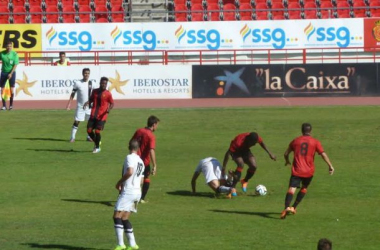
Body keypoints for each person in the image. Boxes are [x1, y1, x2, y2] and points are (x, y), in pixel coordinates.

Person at [281, 123, 334, 219]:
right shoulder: (315, 142)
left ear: (302, 131)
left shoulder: (296, 141)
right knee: (304, 187)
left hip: (297, 170)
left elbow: (285, 153)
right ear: (311, 131)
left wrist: (287, 161)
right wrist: (330, 165)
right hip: (309, 171)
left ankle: (286, 207)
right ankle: (294, 207)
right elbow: (323, 154)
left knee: (292, 188)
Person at [113, 139, 145, 250]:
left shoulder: (129, 157)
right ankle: (133, 245)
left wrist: (120, 182)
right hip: (137, 192)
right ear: (139, 148)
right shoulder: (141, 161)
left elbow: (130, 171)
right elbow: (141, 180)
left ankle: (120, 244)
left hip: (129, 191)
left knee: (117, 216)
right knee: (125, 218)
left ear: (129, 146)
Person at [129, 115, 160, 203]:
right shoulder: (151, 136)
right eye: (157, 124)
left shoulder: (139, 131)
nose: (157, 127)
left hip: (134, 159)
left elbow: (131, 142)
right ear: (154, 124)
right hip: (144, 162)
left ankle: (130, 196)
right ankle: (141, 198)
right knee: (145, 178)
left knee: (132, 178)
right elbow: (151, 150)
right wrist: (155, 165)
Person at [83, 77, 114, 153]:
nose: (104, 85)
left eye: (105, 84)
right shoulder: (95, 91)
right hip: (93, 114)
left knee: (97, 131)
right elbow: (91, 99)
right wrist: (87, 103)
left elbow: (112, 103)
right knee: (89, 130)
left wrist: (109, 109)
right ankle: (97, 141)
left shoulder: (108, 94)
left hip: (102, 116)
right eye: (102, 83)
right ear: (100, 83)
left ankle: (97, 147)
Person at [66, 68, 93, 142]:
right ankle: (72, 137)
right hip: (80, 106)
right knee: (77, 121)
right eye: (85, 73)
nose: (86, 74)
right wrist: (69, 104)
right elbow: (73, 93)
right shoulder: (78, 83)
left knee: (90, 122)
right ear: (82, 74)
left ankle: (89, 137)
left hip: (89, 106)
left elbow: (94, 95)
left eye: (88, 73)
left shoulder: (92, 83)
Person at [0, 41, 19, 110]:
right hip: (3, 73)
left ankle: (11, 105)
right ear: (5, 47)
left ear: (12, 47)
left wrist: (11, 73)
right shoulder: (2, 54)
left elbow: (15, 65)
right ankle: (4, 106)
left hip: (12, 72)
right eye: (7, 46)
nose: (9, 47)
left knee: (11, 89)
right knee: (2, 89)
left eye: (10, 46)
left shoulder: (14, 54)